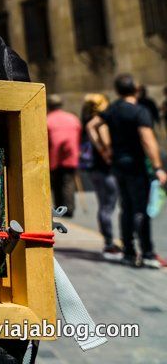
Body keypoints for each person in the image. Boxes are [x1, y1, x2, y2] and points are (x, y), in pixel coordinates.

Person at [87, 74, 167, 268]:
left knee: (126, 208)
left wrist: (104, 150)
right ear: (136, 89)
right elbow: (147, 139)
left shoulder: (112, 109)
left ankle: (129, 252)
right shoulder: (139, 111)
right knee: (141, 209)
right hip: (137, 166)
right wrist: (158, 167)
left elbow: (91, 125)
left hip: (118, 165)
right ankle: (147, 253)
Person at [81, 93, 121, 260]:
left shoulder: (87, 119)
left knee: (103, 205)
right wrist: (107, 152)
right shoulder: (101, 123)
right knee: (108, 206)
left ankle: (108, 241)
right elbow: (105, 140)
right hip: (106, 170)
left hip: (94, 170)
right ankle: (110, 243)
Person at [46, 94, 81, 217]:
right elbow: (78, 137)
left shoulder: (47, 120)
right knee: (68, 182)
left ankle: (60, 207)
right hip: (71, 154)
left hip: (54, 156)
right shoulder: (73, 118)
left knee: (56, 182)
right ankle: (69, 208)